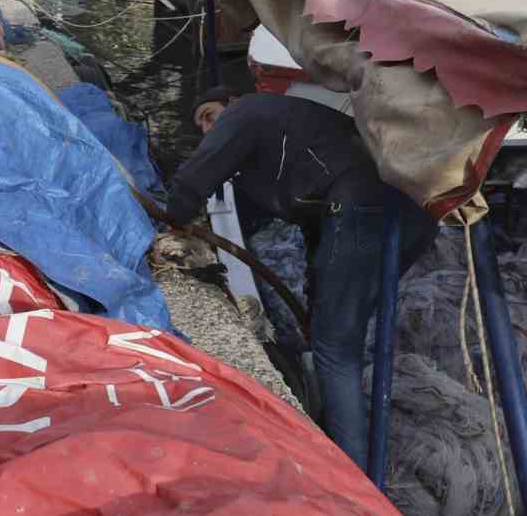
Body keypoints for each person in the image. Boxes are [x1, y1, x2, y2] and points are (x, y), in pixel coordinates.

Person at [167, 87, 437, 470]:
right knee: (341, 333)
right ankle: (349, 426)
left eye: (209, 114)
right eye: (200, 124)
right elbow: (320, 227)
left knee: (335, 349)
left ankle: (351, 477)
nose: (208, 127)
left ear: (229, 104)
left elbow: (191, 183)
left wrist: (168, 219)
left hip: (366, 213)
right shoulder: (293, 131)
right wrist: (317, 292)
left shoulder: (246, 113)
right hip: (411, 212)